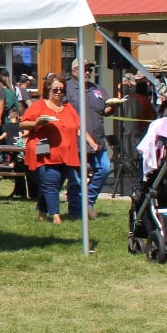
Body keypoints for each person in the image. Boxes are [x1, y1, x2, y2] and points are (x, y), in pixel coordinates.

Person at [21, 74, 82, 223]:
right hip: (43, 150)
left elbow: (78, 127)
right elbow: (22, 124)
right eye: (55, 89)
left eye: (61, 90)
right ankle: (56, 216)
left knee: (54, 184)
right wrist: (37, 123)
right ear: (48, 89)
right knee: (51, 181)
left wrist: (91, 142)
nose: (58, 92)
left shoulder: (68, 108)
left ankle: (42, 215)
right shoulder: (39, 106)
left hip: (65, 154)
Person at [65, 60, 117, 219]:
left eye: (89, 69)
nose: (88, 72)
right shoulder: (68, 88)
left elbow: (105, 111)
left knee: (105, 169)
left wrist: (115, 105)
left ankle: (88, 201)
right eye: (84, 69)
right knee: (76, 179)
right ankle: (75, 211)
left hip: (98, 141)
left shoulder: (97, 89)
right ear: (74, 70)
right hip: (76, 142)